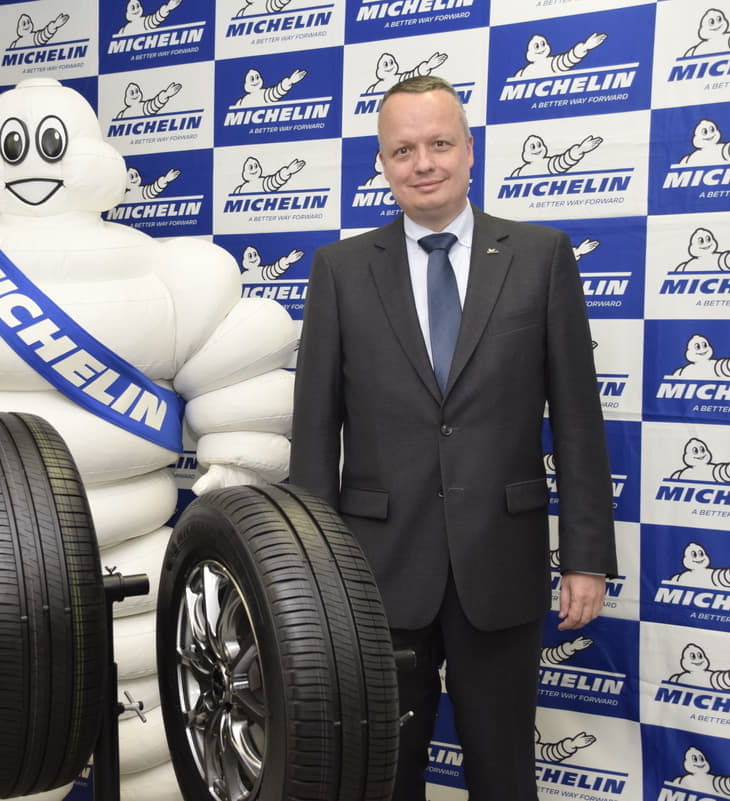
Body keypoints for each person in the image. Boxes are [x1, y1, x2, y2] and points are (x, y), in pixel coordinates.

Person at [289, 75, 617, 801]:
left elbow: (577, 419)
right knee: (380, 775)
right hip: (375, 575)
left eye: (439, 143)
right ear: (382, 163)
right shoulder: (339, 270)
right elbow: (313, 434)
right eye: (403, 149)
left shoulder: (540, 255)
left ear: (469, 150)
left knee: (504, 773)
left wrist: (587, 558)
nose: (423, 163)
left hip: (501, 565)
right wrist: (315, 572)